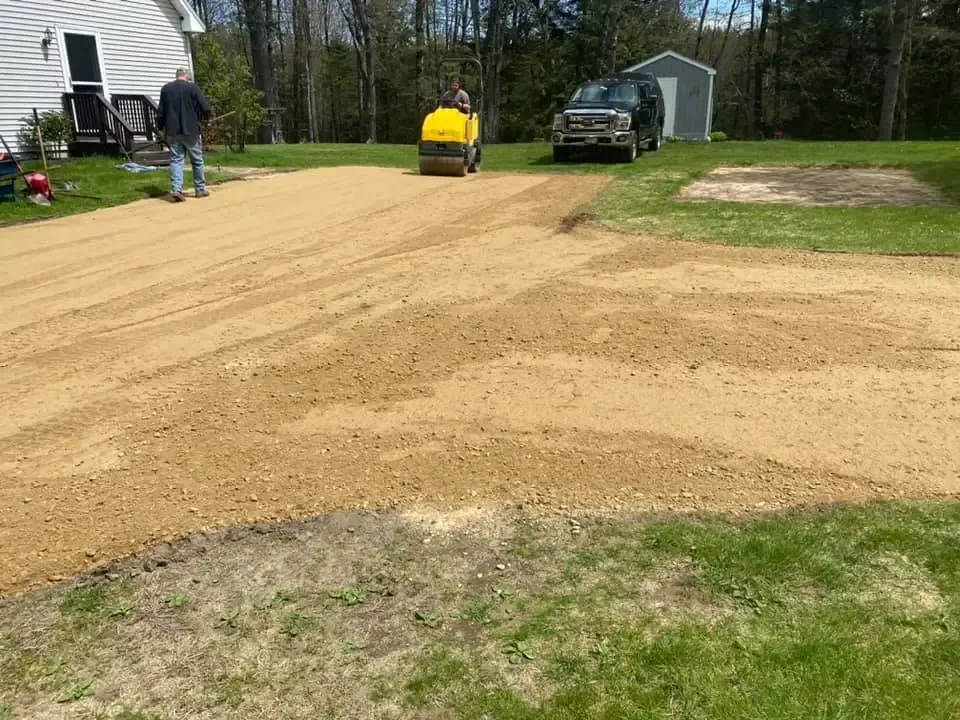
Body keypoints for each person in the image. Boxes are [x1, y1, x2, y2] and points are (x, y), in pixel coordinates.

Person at [157, 68, 212, 202]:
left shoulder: (166, 89)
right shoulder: (192, 88)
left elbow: (161, 112)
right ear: (187, 76)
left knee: (176, 160)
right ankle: (199, 189)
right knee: (197, 160)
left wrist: (160, 128)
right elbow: (205, 107)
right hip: (191, 129)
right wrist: (207, 120)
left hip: (173, 131)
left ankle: (176, 189)